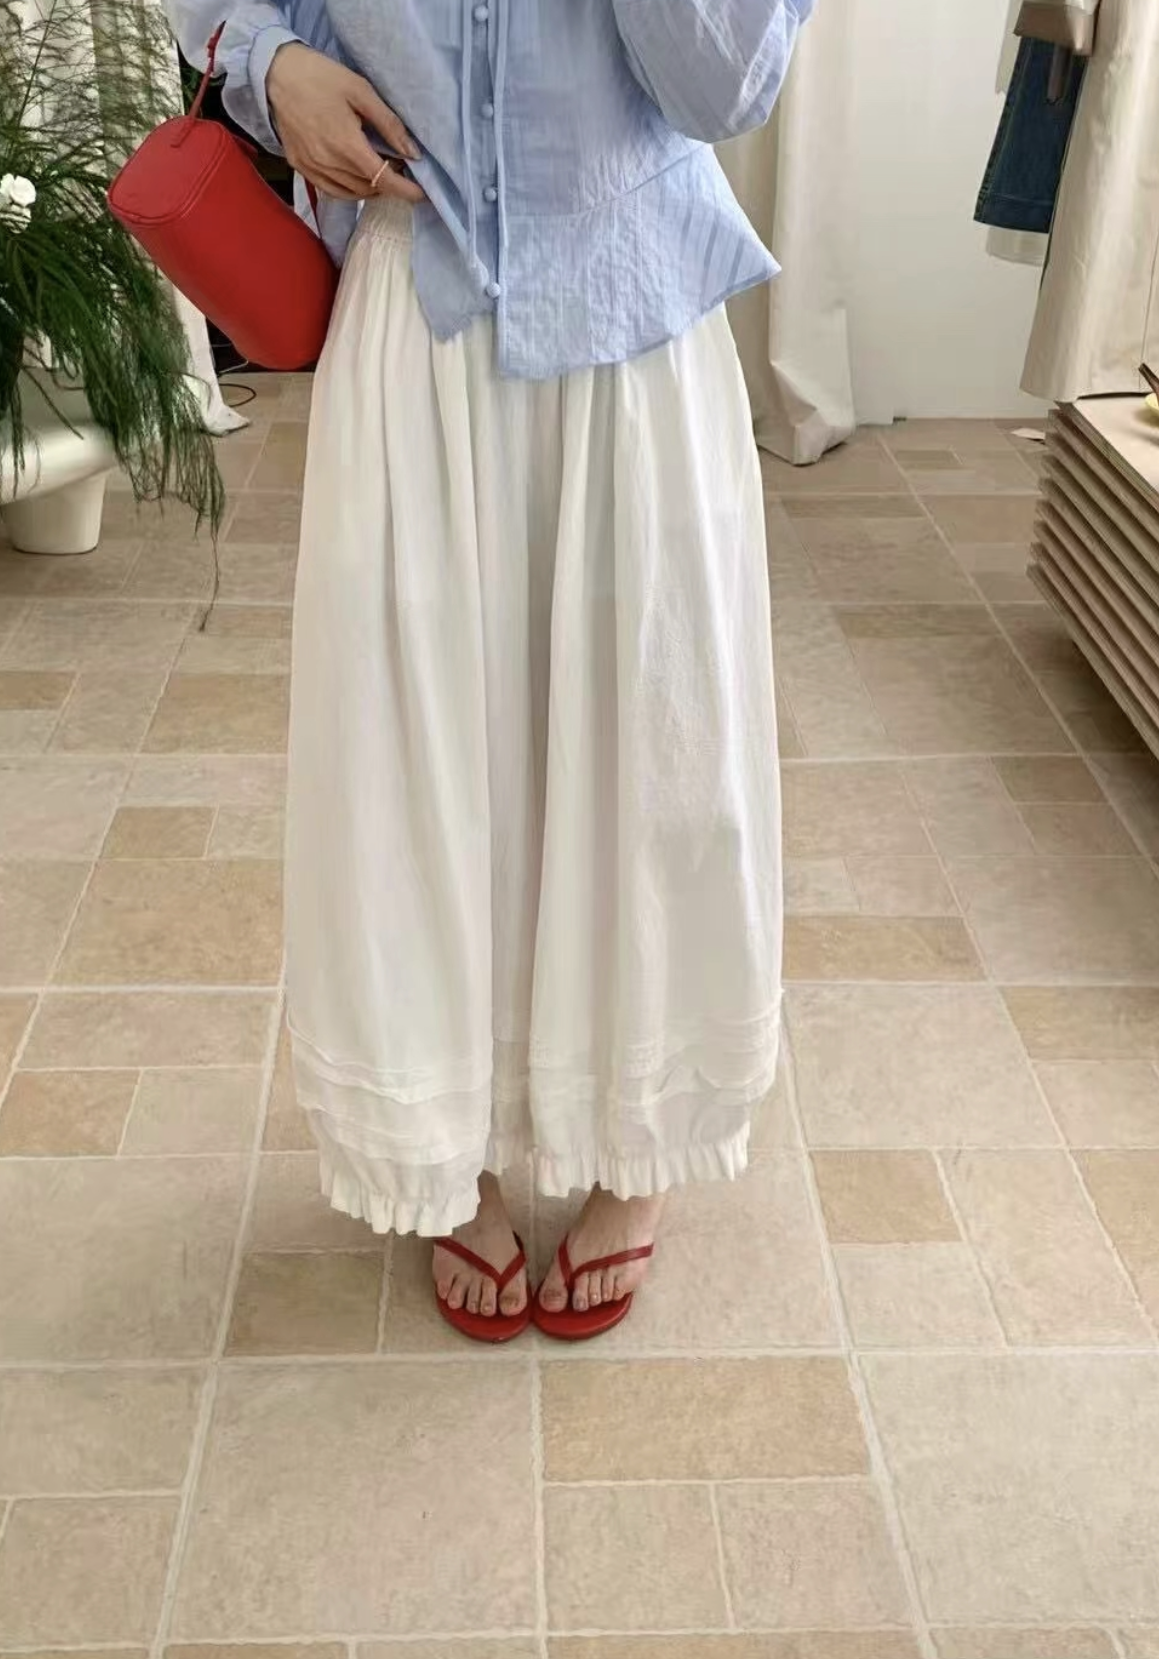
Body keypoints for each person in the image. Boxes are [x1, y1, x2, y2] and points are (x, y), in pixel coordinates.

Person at [166, 0, 810, 1343]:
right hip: (417, 299)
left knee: (651, 751)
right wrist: (274, 64)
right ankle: (440, 1138)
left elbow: (723, 88)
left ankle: (636, 1136)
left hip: (633, 307)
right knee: (412, 758)